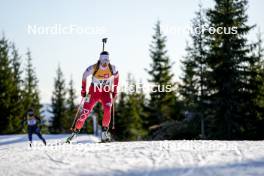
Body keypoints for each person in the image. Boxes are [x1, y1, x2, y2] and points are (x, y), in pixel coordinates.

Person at [73, 51, 119, 142]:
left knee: (107, 108)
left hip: (106, 92)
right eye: (103, 61)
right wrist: (83, 89)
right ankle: (76, 130)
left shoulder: (113, 68)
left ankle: (104, 133)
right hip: (93, 92)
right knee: (85, 111)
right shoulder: (93, 67)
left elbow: (117, 77)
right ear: (100, 60)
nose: (105, 63)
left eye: (107, 61)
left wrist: (115, 90)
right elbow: (84, 76)